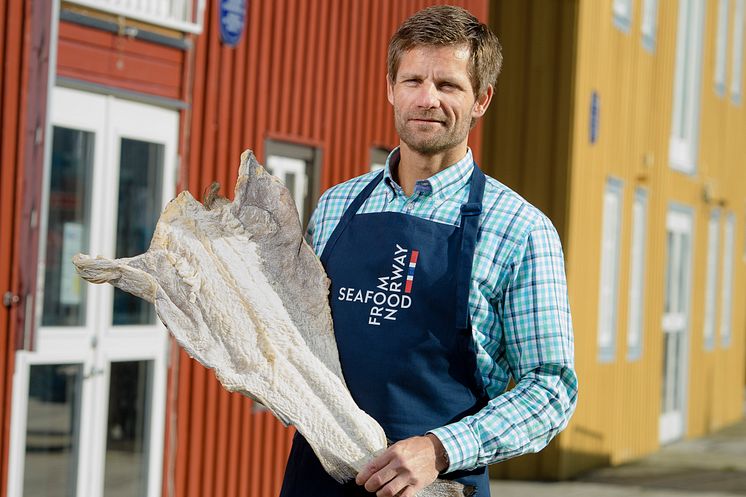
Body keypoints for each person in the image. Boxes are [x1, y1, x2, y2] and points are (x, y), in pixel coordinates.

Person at [279, 5, 577, 497]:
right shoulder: (335, 206)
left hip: (437, 486)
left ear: (482, 99)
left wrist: (440, 448)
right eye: (413, 79)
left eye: (448, 85)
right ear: (390, 88)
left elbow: (551, 388)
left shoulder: (522, 230)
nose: (427, 99)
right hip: (318, 480)